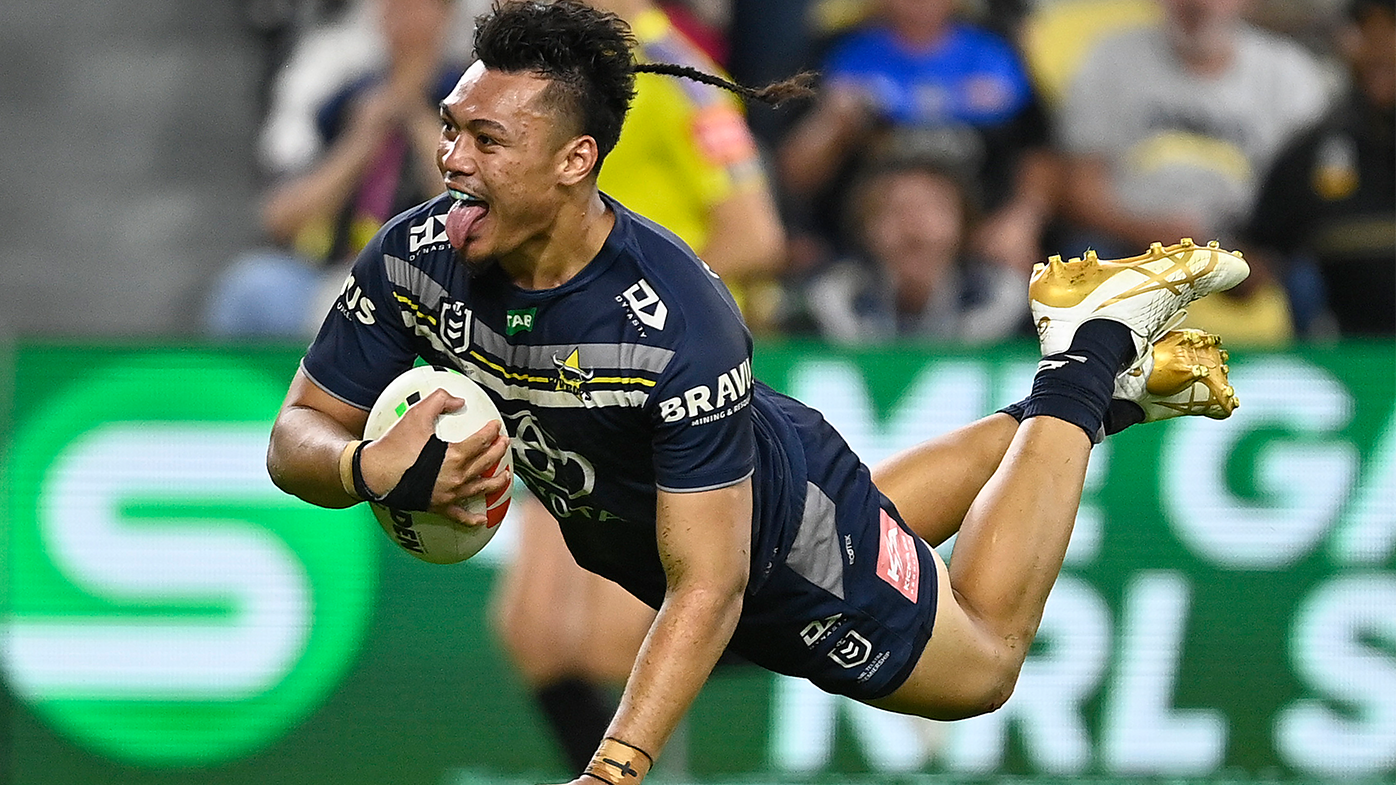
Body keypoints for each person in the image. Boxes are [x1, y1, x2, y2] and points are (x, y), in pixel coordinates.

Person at [264, 3, 1248, 784]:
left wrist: (612, 771)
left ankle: (1085, 356)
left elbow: (711, 584)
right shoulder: (417, 255)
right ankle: (1114, 393)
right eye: (451, 132)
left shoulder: (671, 318)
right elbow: (296, 431)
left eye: (484, 140)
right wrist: (358, 462)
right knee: (873, 520)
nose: (451, 162)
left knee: (981, 665)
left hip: (767, 545)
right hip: (714, 488)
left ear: (573, 159)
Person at [485, 0, 787, 772]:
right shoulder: (544, 77)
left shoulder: (672, 72)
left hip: (657, 392)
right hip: (563, 387)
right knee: (533, 633)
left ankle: (785, 615)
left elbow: (754, 233)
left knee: (616, 641)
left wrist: (638, 315)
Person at [1054, 0, 1333, 345]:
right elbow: (1080, 188)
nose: (1198, 5)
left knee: (1314, 273)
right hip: (1129, 241)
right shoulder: (1110, 60)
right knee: (1079, 262)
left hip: (1250, 242)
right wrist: (1154, 236)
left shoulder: (1290, 75)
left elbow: (1308, 197)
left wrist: (1258, 256)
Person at [204, 0, 465, 337]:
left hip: (433, 275)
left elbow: (462, 198)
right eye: (393, 6)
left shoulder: (466, 94)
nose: (403, 18)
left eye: (418, 7)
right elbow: (278, 217)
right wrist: (361, 140)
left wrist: (413, 111)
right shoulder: (348, 99)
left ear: (446, 16)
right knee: (251, 287)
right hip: (333, 268)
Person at [776, 0, 1060, 273]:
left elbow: (1039, 152)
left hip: (980, 244)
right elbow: (794, 173)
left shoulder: (996, 50)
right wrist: (830, 124)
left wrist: (1022, 219)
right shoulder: (837, 53)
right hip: (856, 247)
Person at [1243, 0, 1396, 337]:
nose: (1379, 50)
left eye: (1391, 33)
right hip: (1344, 353)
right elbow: (1259, 250)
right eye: (1368, 33)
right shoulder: (1315, 149)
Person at [798, 152, 1029, 344]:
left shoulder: (997, 293)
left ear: (962, 222)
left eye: (931, 209)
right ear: (867, 229)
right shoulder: (840, 294)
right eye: (895, 210)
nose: (913, 226)